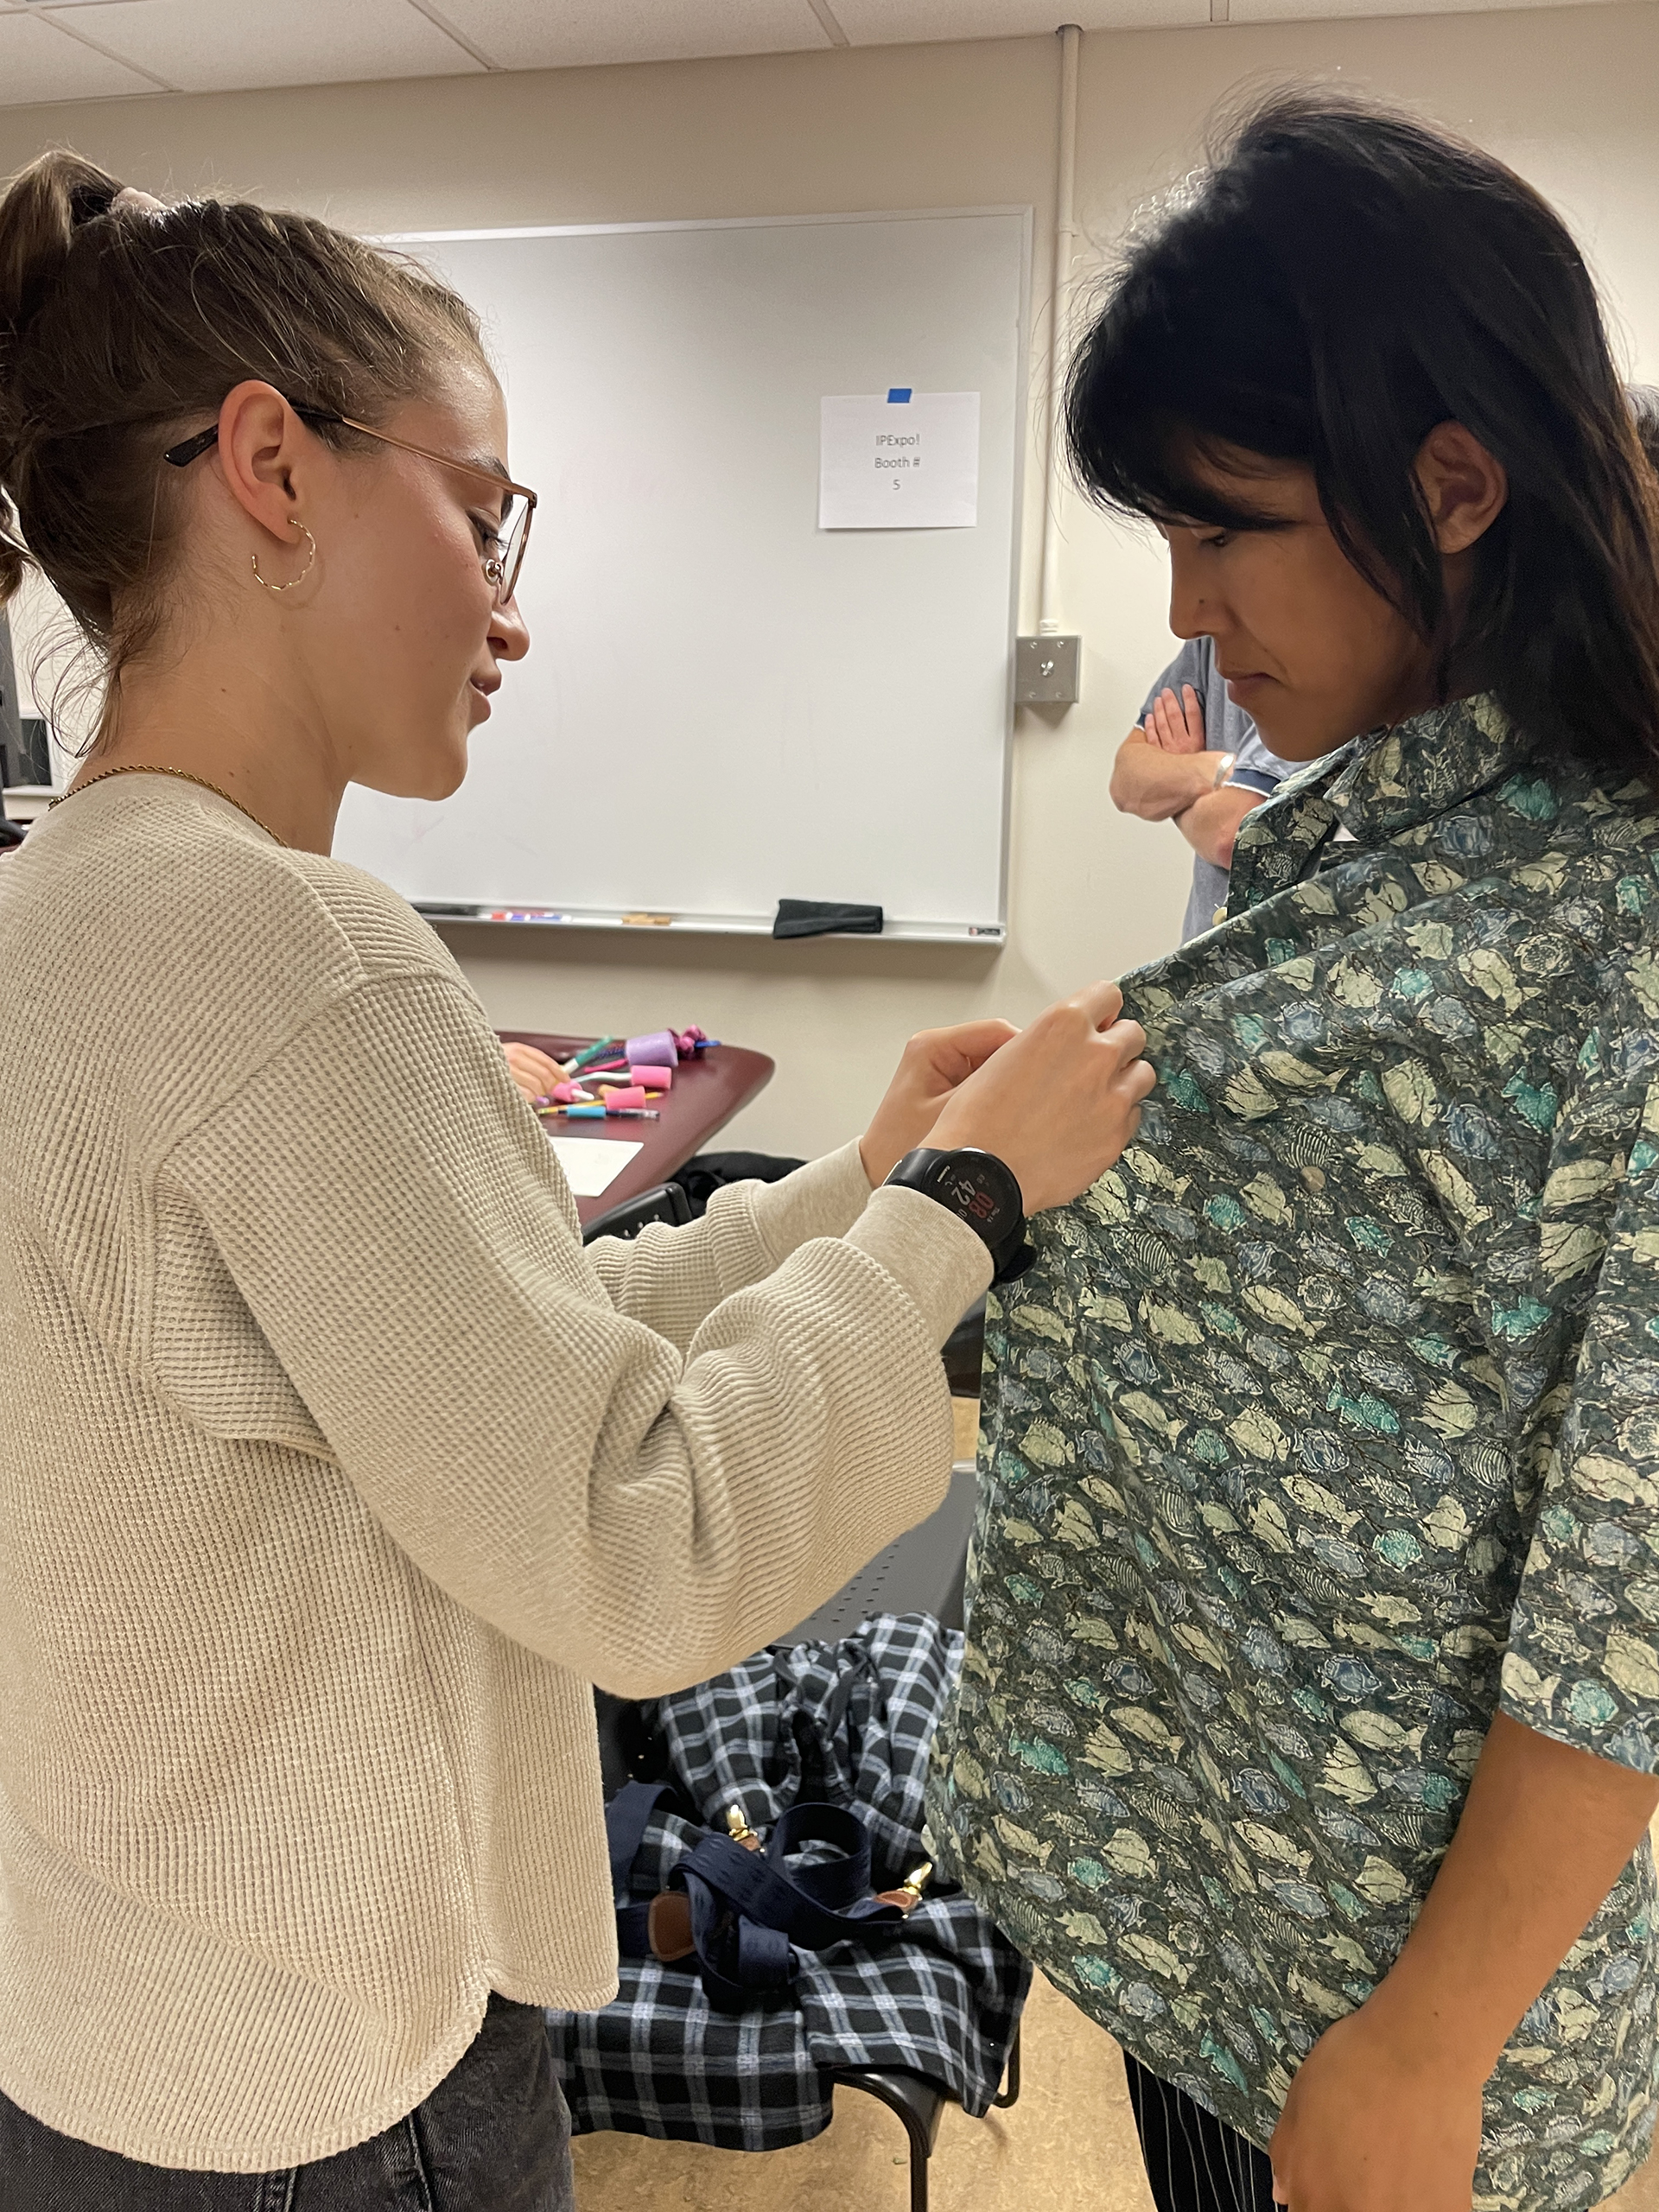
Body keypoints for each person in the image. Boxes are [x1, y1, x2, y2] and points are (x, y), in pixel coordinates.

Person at [0, 154, 1155, 2206]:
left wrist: (866, 1180)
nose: (509, 602)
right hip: (326, 2074)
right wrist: (957, 1217)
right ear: (271, 463)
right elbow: (641, 1543)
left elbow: (517, 1368)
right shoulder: (296, 960)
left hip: (108, 2021)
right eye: (480, 510)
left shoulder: (67, 914)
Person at [927, 90, 1659, 2212]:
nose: (1186, 600)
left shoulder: (1612, 912)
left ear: (1448, 487)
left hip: (1384, 1990)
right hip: (1208, 1901)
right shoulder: (1373, 836)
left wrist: (1430, 2041)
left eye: (1224, 524)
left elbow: (1631, 1567)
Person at [1111, 637, 1297, 941]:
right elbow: (1126, 782)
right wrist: (1214, 770)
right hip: (1204, 959)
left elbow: (1235, 836)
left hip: (1288, 968)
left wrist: (1177, 791)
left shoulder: (1310, 647)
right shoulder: (1206, 644)